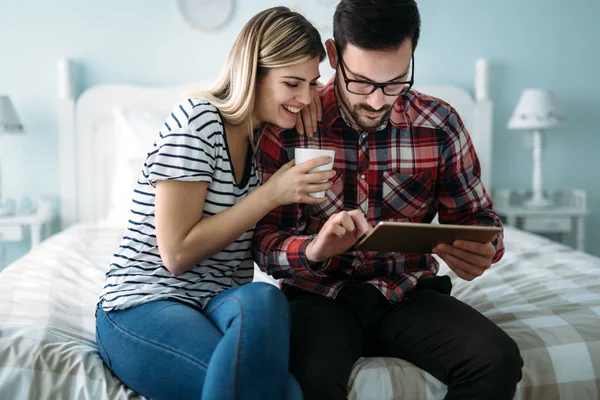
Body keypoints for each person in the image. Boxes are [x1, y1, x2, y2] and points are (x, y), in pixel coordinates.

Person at [253, 1, 524, 399]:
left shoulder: (440, 125)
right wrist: (313, 249)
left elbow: (477, 216)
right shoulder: (289, 123)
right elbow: (263, 242)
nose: (378, 101)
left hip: (408, 294)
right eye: (361, 82)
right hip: (317, 297)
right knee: (304, 376)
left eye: (395, 82)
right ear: (333, 55)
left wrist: (484, 247)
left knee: (497, 359)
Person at [95, 7, 331, 400]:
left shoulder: (265, 139)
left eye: (312, 84)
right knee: (284, 393)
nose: (304, 97)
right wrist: (271, 194)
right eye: (292, 84)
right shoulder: (197, 121)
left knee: (265, 296)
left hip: (216, 300)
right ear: (251, 73)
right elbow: (176, 254)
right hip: (145, 301)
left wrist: (314, 102)